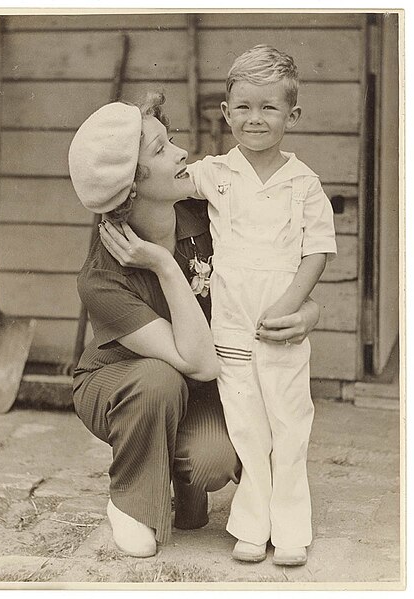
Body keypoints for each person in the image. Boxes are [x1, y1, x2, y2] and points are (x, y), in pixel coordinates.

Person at [68, 95, 321, 559]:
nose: (183, 153)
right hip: (122, 385)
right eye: (162, 150)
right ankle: (131, 504)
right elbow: (199, 363)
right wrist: (165, 265)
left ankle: (187, 491)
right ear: (131, 185)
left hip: (196, 385)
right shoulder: (101, 277)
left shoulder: (209, 217)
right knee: (157, 378)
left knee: (214, 460)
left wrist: (306, 313)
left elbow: (270, 279)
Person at [186, 45, 337, 566]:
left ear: (291, 116)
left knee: (290, 424)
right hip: (231, 328)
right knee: (248, 427)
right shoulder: (214, 173)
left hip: (282, 327)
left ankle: (291, 528)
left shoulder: (304, 184)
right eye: (243, 107)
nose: (255, 119)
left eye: (270, 108)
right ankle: (252, 525)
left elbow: (317, 251)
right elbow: (164, 178)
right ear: (226, 113)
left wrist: (293, 306)